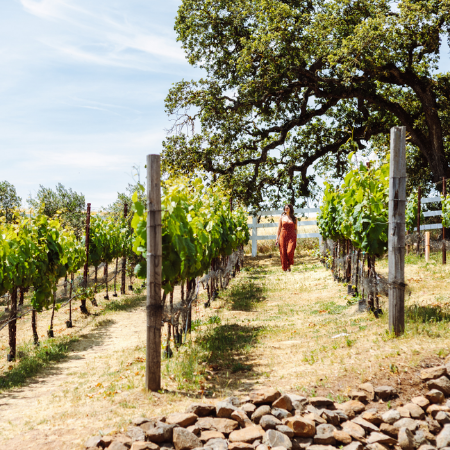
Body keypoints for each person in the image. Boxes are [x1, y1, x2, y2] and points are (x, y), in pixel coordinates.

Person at [276, 204, 298, 272]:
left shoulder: (294, 218)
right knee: (283, 252)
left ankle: (289, 264)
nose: (285, 209)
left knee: (289, 251)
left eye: (287, 208)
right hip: (283, 235)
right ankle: (286, 267)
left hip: (291, 236)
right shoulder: (282, 217)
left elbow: (295, 229)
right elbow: (279, 228)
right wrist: (277, 238)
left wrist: (295, 238)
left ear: (290, 209)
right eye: (285, 208)